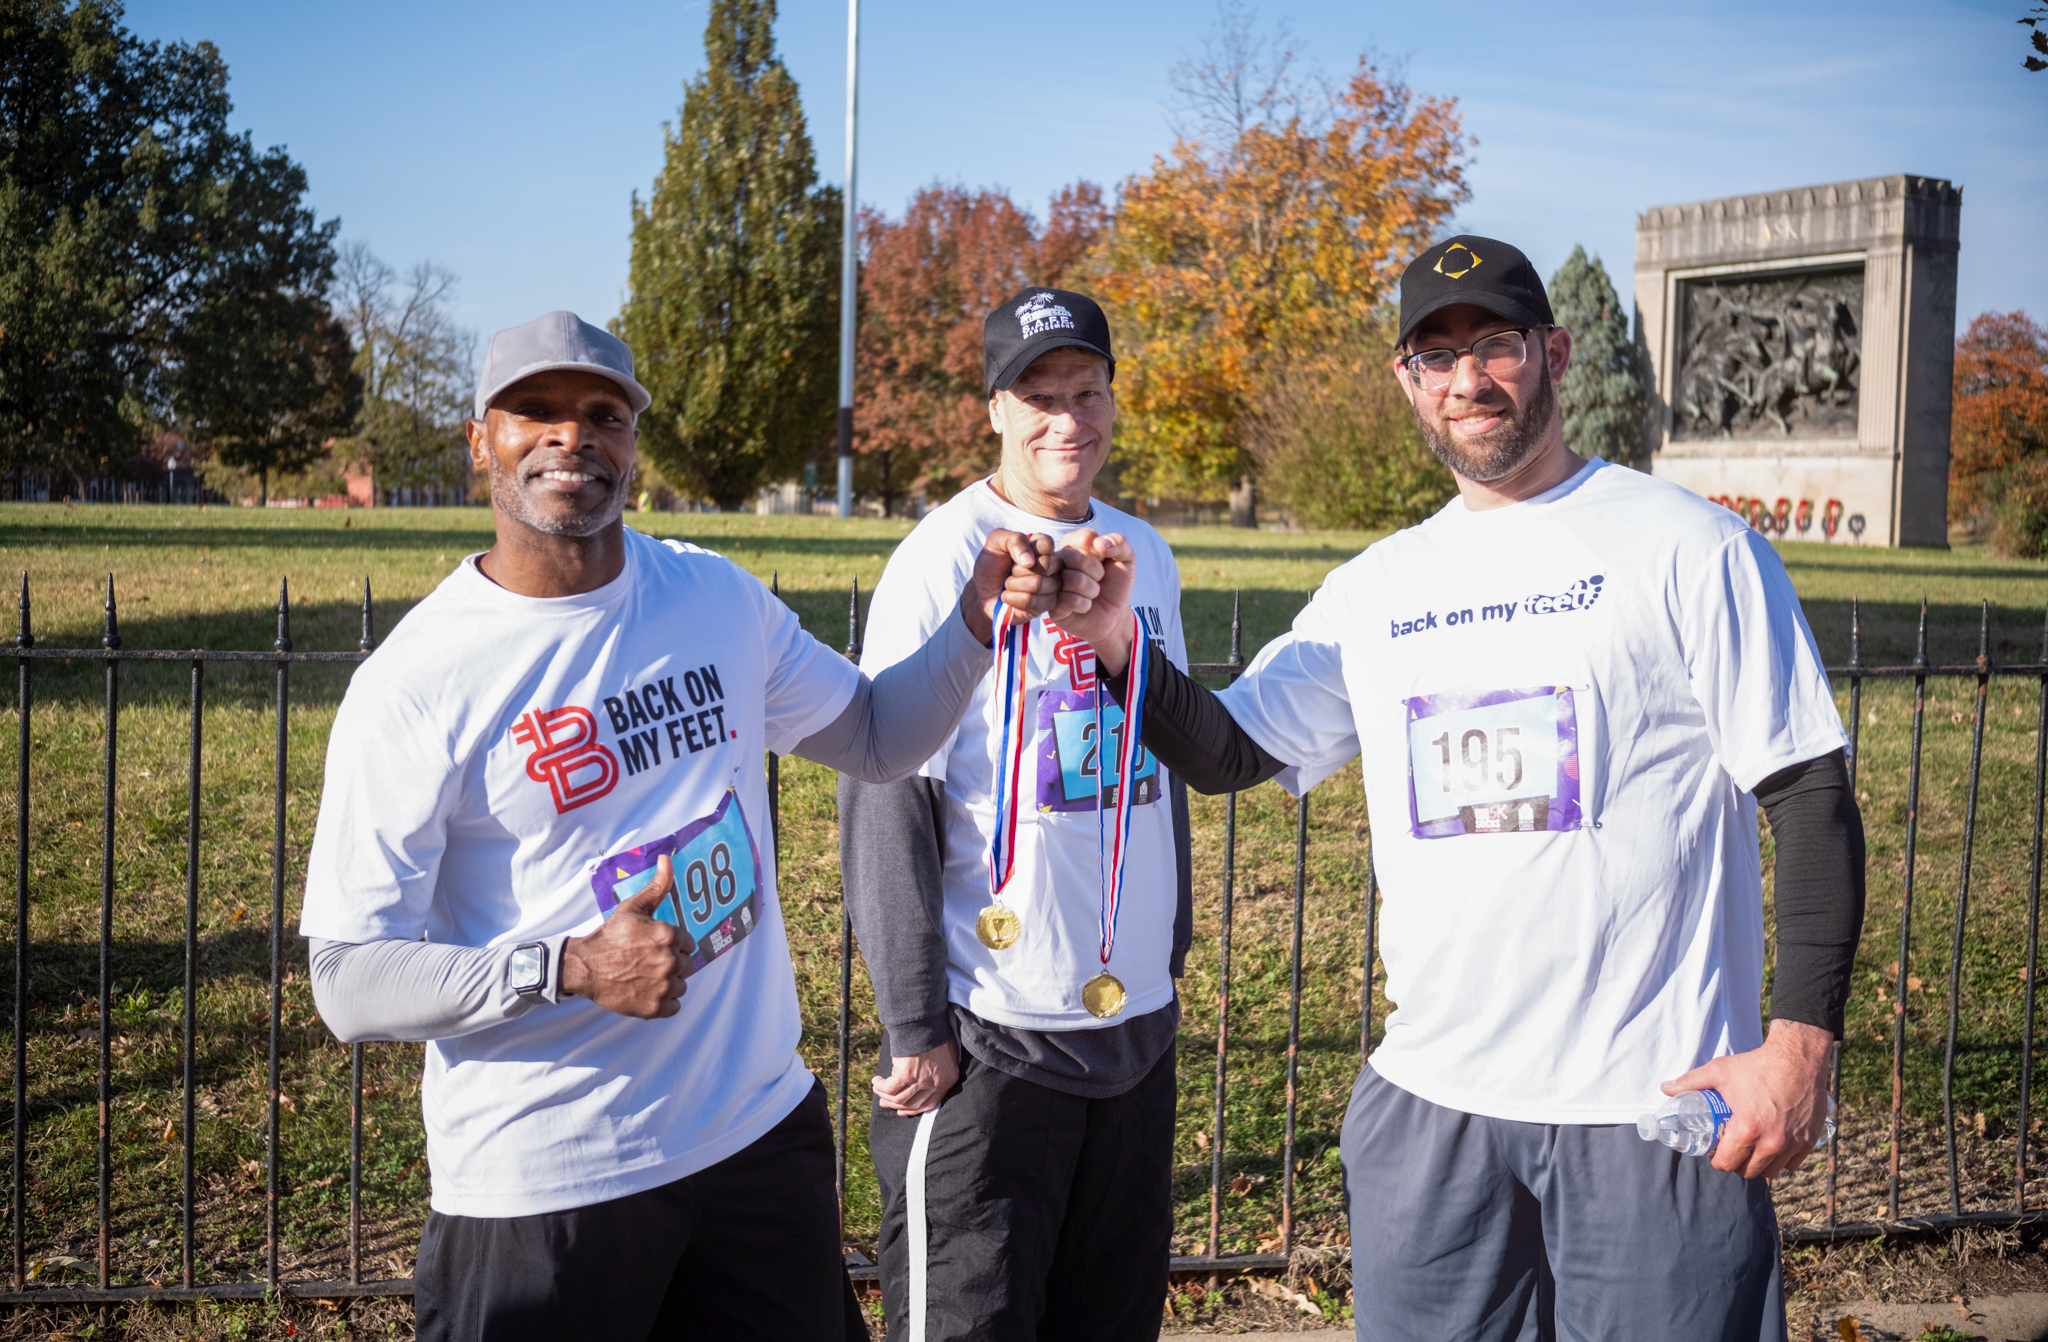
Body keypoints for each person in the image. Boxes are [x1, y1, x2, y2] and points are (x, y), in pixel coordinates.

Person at [1046, 238, 1866, 1342]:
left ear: (1552, 353)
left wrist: (1799, 1047)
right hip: (1433, 1112)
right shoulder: (1377, 587)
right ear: (1405, 383)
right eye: (1433, 357)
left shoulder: (1688, 548)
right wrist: (1116, 651)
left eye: (1492, 345)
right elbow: (1231, 751)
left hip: (1645, 1108)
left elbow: (1807, 791)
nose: (1465, 379)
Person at [301, 310, 1060, 1342]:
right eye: (536, 412)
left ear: (631, 446)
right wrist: (567, 966)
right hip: (546, 1180)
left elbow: (879, 738)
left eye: (602, 415)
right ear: (481, 440)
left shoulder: (710, 596)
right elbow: (348, 980)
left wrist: (975, 623)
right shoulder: (418, 681)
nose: (572, 437)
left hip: (752, 1138)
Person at [840, 287, 1191, 1342]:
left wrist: (1163, 959)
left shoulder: (1143, 553)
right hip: (990, 1035)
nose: (1065, 420)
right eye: (1037, 396)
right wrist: (914, 1021)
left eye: (1085, 392)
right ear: (993, 408)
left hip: (1129, 1028)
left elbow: (1157, 758)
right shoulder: (946, 556)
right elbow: (887, 789)